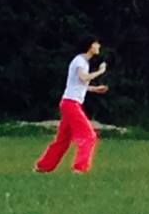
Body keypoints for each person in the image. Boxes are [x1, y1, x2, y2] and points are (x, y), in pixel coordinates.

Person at [34, 35, 109, 174]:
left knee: (62, 140)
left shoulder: (82, 62)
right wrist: (100, 71)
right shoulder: (80, 61)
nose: (98, 46)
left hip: (69, 103)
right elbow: (83, 78)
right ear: (90, 45)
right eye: (96, 43)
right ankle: (80, 168)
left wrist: (94, 89)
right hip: (71, 104)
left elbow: (77, 84)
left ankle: (43, 167)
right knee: (89, 136)